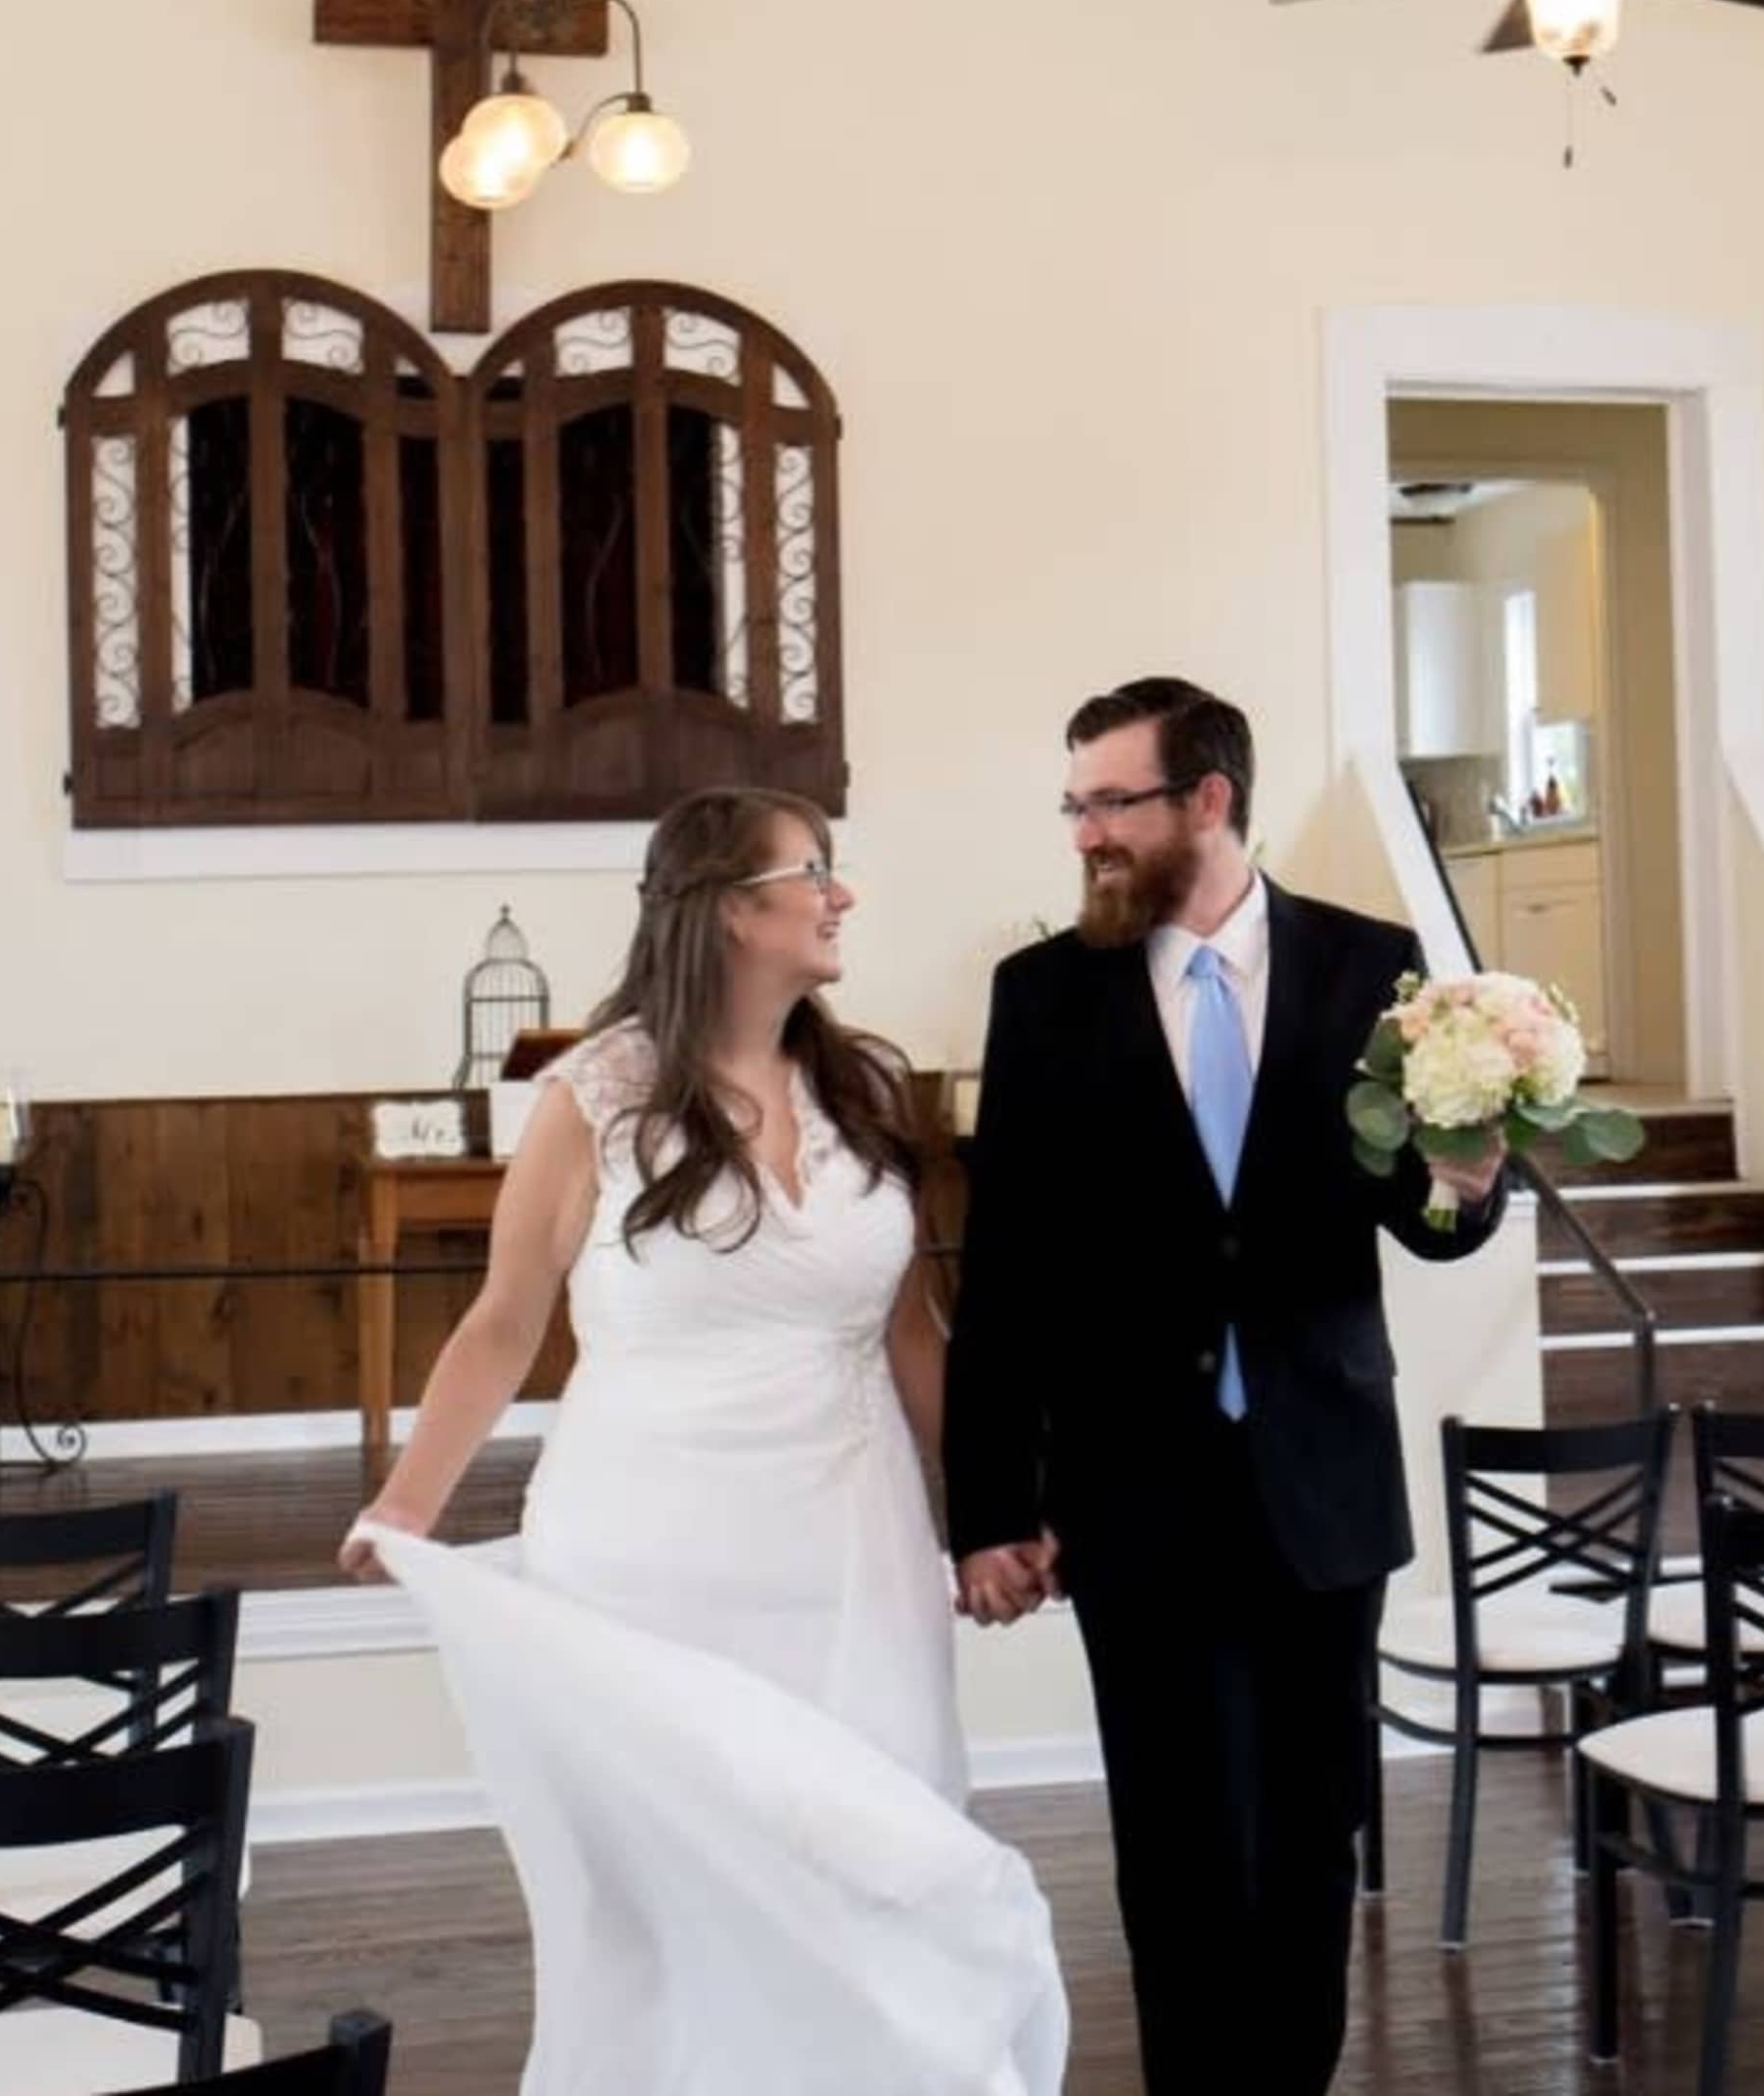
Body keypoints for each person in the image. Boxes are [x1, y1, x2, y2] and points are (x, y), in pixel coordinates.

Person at [343, 787, 1065, 2096]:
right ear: (733, 911)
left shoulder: (866, 1084)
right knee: (677, 1901)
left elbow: (913, 1335)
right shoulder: (596, 1095)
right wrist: (406, 1504)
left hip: (851, 1552)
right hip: (651, 1559)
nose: (840, 896)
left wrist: (990, 1515)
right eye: (815, 874)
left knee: (874, 1862)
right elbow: (503, 1324)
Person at [946, 677, 1509, 2094]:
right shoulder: (1044, 997)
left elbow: (1426, 1218)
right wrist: (987, 1509)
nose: (1085, 834)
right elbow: (1005, 1273)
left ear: (1208, 800)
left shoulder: (1370, 968)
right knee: (1176, 1847)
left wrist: (1466, 1189)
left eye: (1111, 802)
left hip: (1322, 1478)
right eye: (1074, 804)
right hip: (1132, 1493)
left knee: (1318, 1839)